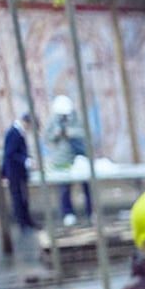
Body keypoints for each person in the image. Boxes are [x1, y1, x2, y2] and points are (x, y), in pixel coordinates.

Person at [45, 95, 92, 226]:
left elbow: (86, 133)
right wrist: (57, 133)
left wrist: (71, 132)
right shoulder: (53, 121)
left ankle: (91, 212)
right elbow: (47, 138)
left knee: (86, 186)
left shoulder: (77, 119)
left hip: (80, 158)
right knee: (64, 188)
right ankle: (68, 213)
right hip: (62, 160)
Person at [2, 113, 36, 229]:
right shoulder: (14, 133)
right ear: (26, 122)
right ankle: (22, 222)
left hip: (18, 171)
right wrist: (25, 160)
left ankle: (26, 220)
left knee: (23, 197)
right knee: (18, 197)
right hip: (14, 171)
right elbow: (10, 153)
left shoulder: (18, 132)